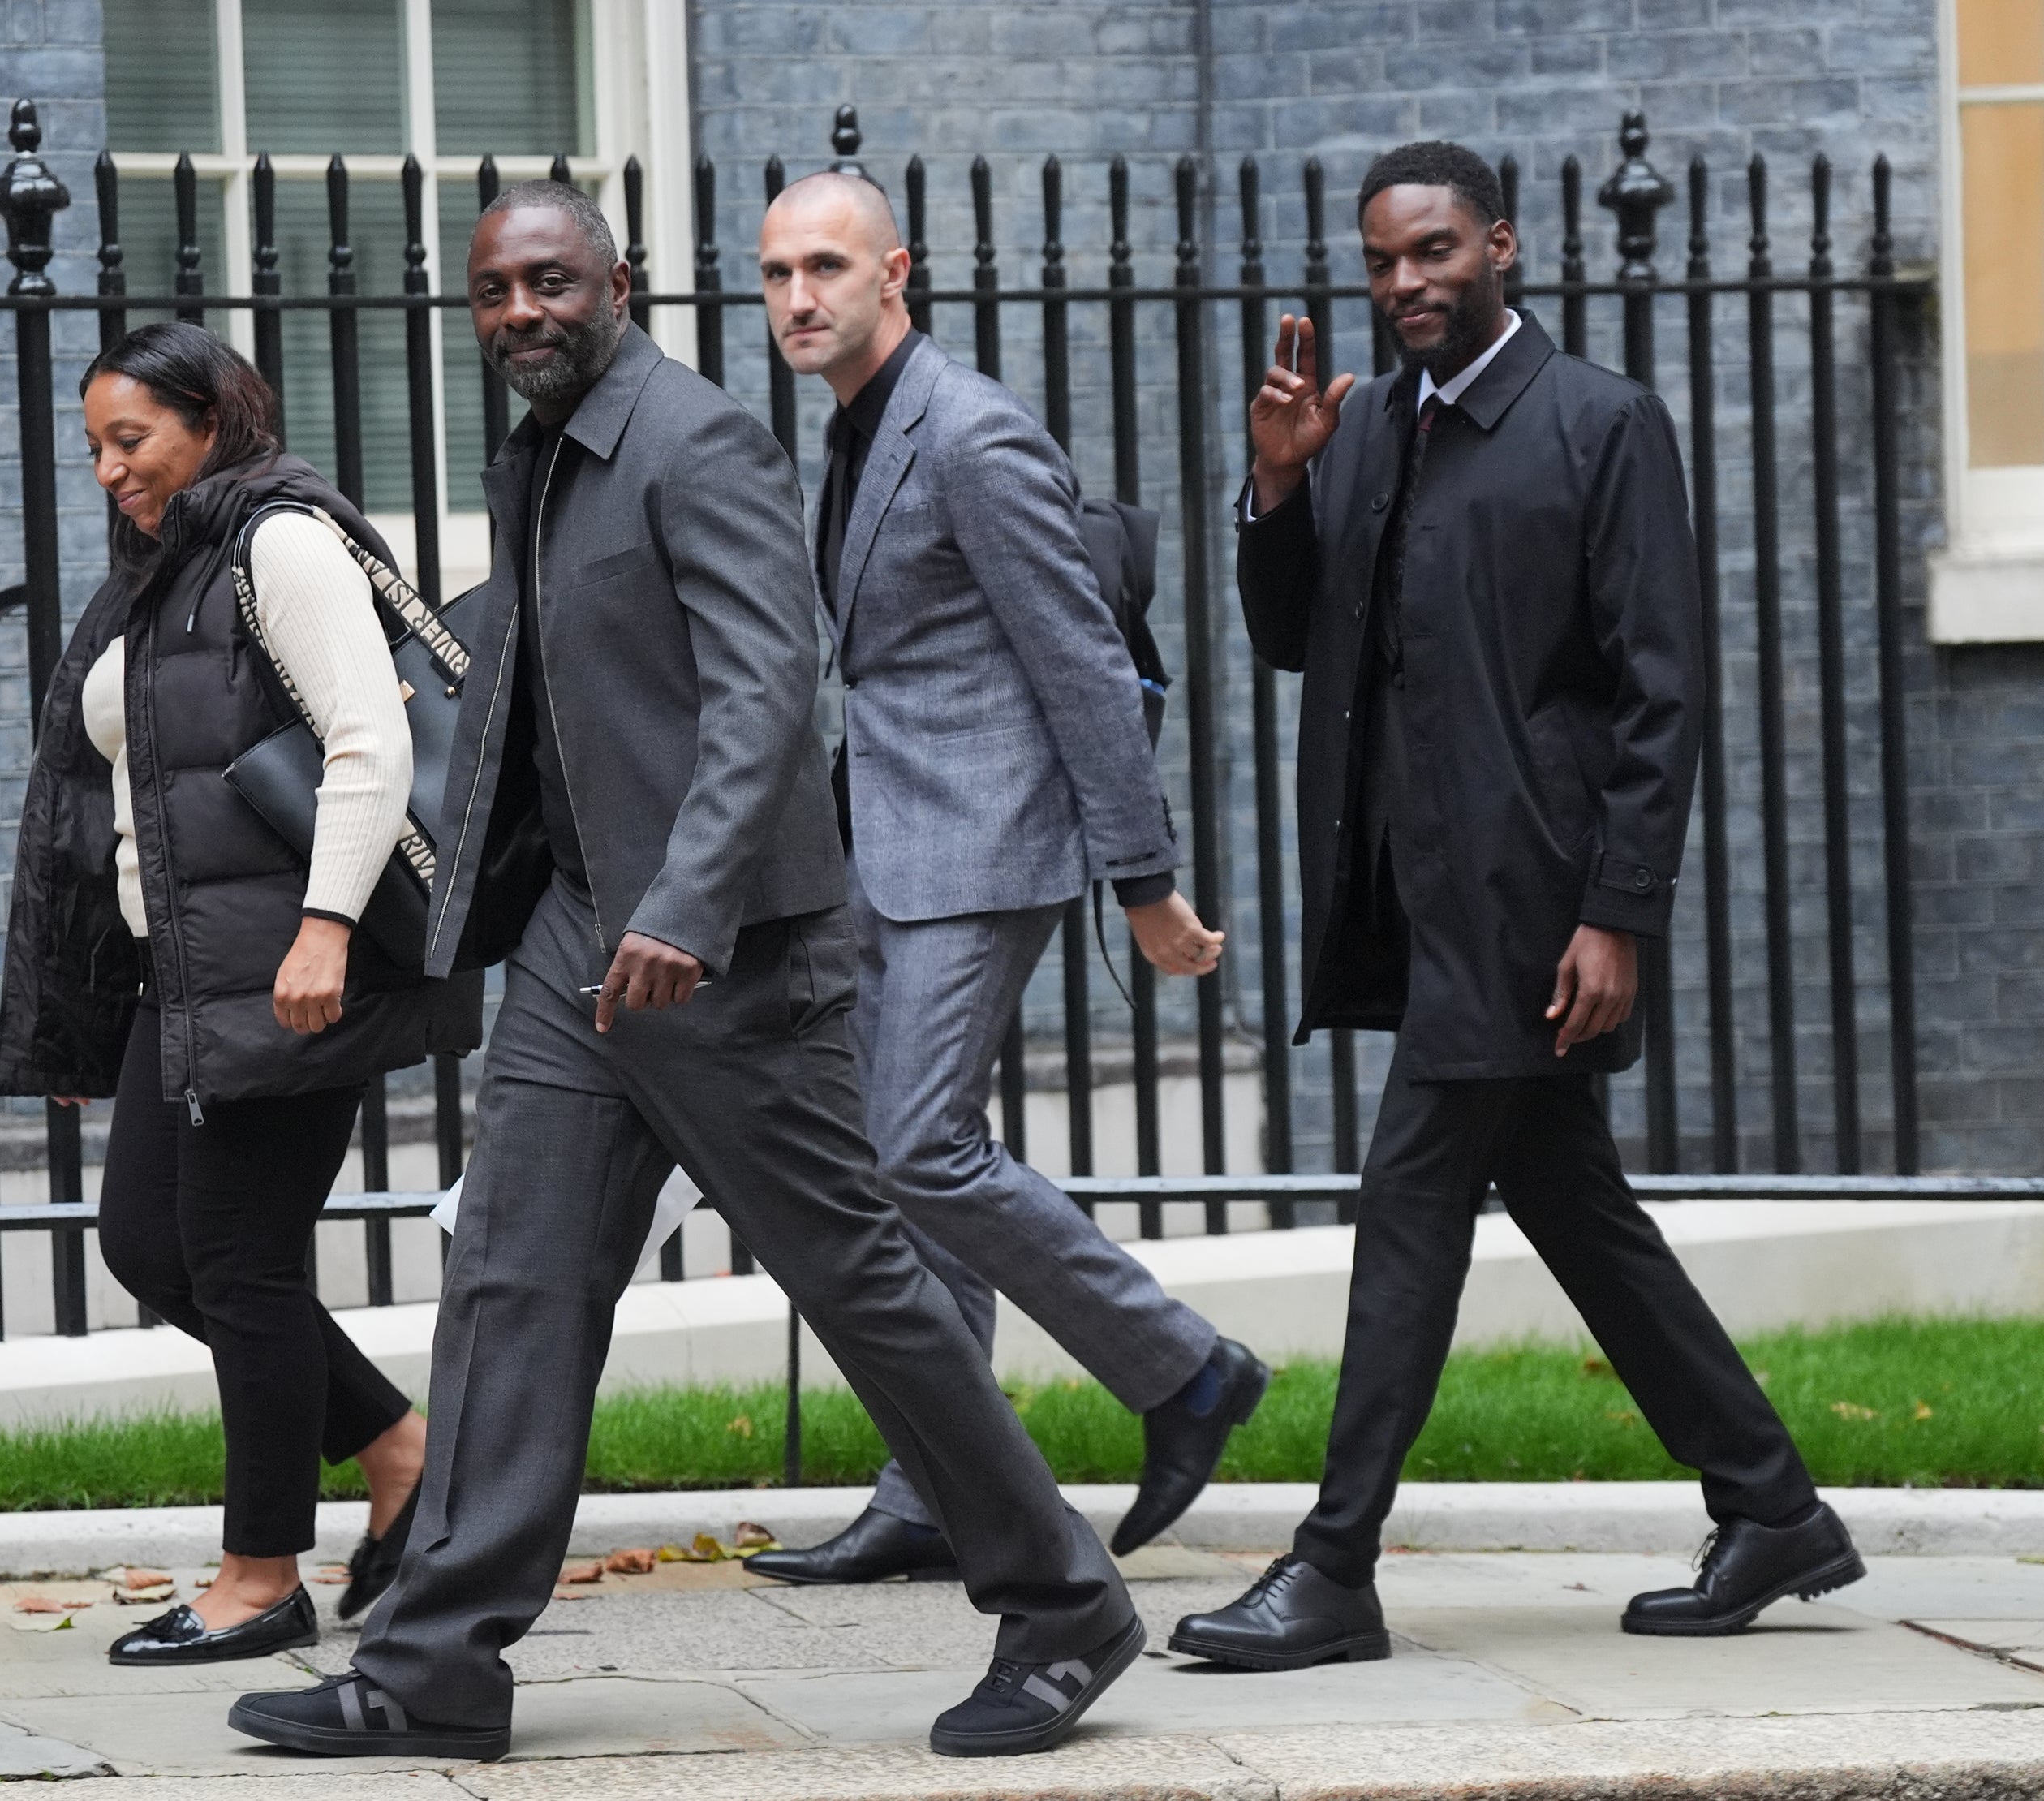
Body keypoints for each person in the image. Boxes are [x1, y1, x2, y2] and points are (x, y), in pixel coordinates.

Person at [224, 181, 1142, 1763]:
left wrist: (692, 904)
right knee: (512, 1276)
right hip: (585, 938)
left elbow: (768, 688)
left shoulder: (695, 440)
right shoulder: (536, 456)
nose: (523, 314)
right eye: (497, 292)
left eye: (553, 284)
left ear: (620, 284)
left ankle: (1063, 1602)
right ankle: (434, 1662)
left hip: (720, 958)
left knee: (861, 1282)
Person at [1168, 142, 1860, 1673]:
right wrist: (1277, 488)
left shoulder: (1602, 424)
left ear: (1503, 247)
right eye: (1381, 263)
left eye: (1433, 252)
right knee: (1572, 1204)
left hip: (1533, 906)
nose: (1406, 283)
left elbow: (1657, 695)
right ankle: (1773, 1505)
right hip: (1409, 899)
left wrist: (1619, 910)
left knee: (1410, 1203)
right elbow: (1294, 639)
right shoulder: (1354, 433)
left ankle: (1334, 1563)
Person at [738, 172, 1269, 1592]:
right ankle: (933, 1486)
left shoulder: (969, 434)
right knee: (903, 1172)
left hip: (984, 843)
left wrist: (1143, 878)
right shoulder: (854, 433)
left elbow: (1085, 663)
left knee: (920, 1148)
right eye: (779, 271)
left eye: (828, 267)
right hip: (890, 842)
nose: (799, 296)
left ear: (894, 273)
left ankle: (1185, 1370)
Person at [0, 321, 478, 1665]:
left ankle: (262, 1577)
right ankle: (396, 1447)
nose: (107, 469)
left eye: (131, 440)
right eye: (92, 445)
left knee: (241, 1264)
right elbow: (125, 801)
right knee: (151, 1244)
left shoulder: (279, 542)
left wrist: (325, 927)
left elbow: (370, 743)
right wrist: (86, 1007)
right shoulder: (170, 573)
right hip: (190, 973)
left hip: (284, 967)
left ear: (213, 424)